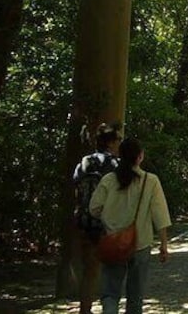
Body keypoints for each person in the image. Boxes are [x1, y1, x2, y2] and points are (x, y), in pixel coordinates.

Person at [89, 138, 171, 314]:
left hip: (113, 241)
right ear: (140, 157)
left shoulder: (109, 180)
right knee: (135, 296)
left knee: (110, 293)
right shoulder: (151, 180)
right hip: (140, 243)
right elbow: (160, 214)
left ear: (120, 156)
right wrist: (163, 244)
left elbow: (94, 208)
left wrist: (109, 219)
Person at [72, 122, 121, 314]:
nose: (119, 143)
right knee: (112, 270)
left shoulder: (84, 162)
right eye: (118, 140)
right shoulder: (115, 165)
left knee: (89, 270)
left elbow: (76, 188)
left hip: (85, 221)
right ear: (110, 143)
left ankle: (85, 309)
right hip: (109, 223)